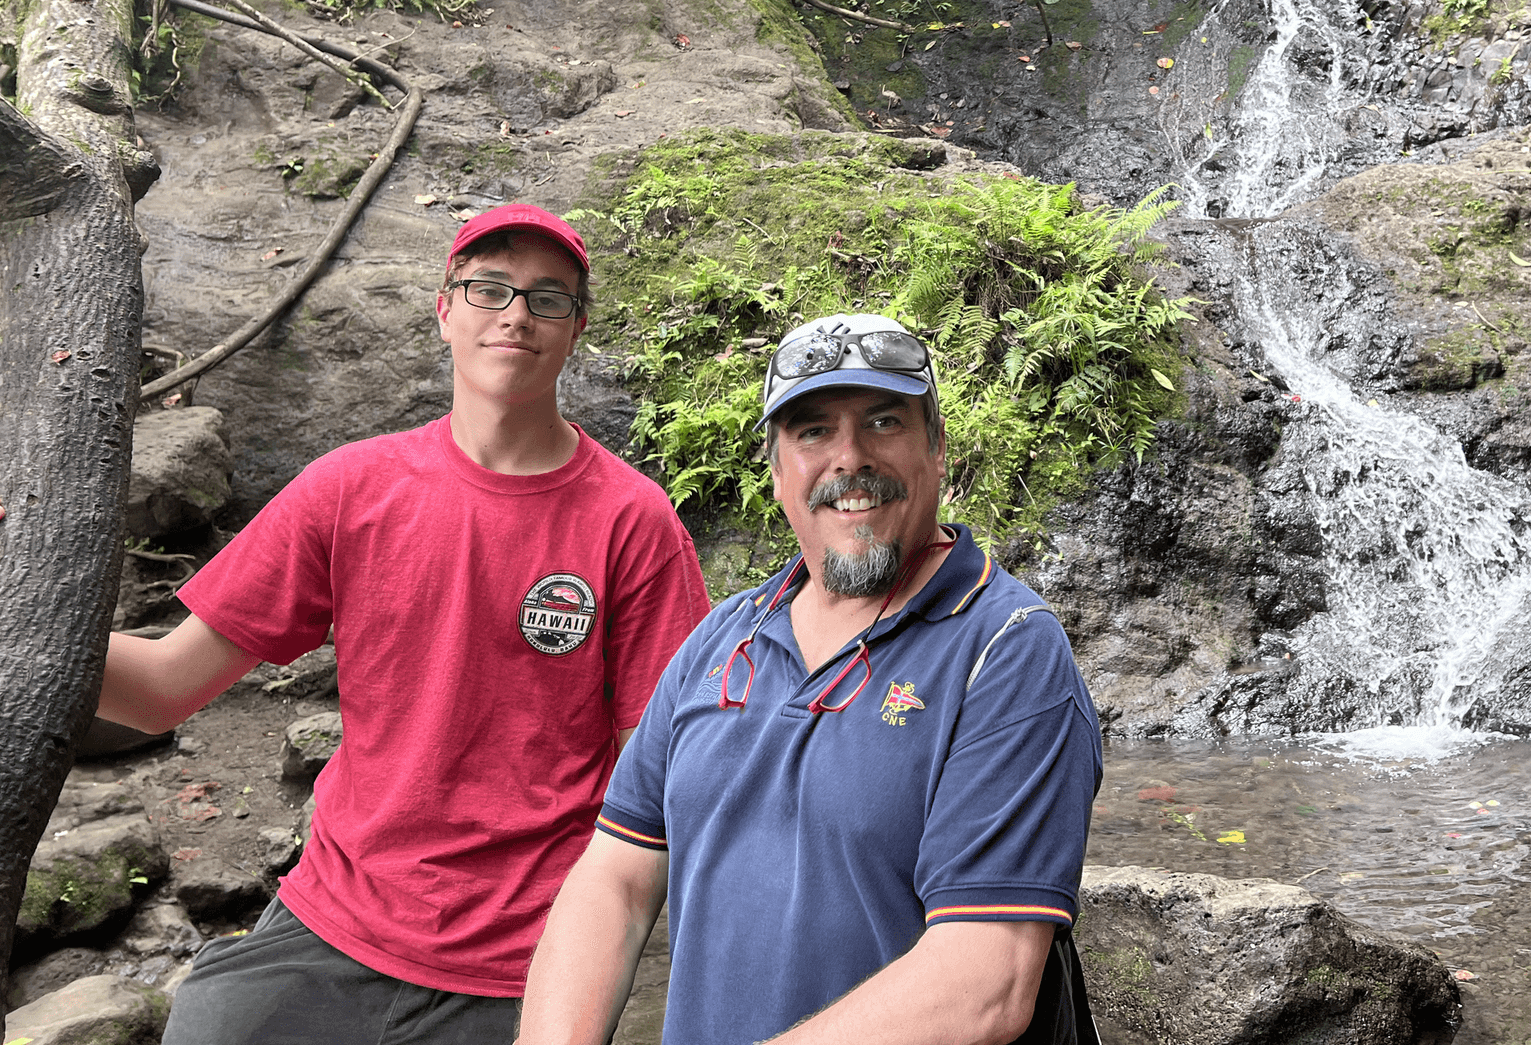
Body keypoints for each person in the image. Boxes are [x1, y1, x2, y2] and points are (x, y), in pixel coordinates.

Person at [96, 203, 711, 1044]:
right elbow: (161, 691)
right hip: (331, 924)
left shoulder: (633, 522)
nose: (516, 315)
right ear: (445, 309)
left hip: (525, 956)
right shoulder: (350, 490)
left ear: (576, 329)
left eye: (548, 298)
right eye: (489, 288)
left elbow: (663, 782)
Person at [517, 314, 1102, 1045]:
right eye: (813, 432)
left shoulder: (1007, 650)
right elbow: (616, 880)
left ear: (937, 449)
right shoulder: (721, 641)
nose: (849, 458)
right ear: (777, 472)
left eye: (884, 422)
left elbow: (987, 981)